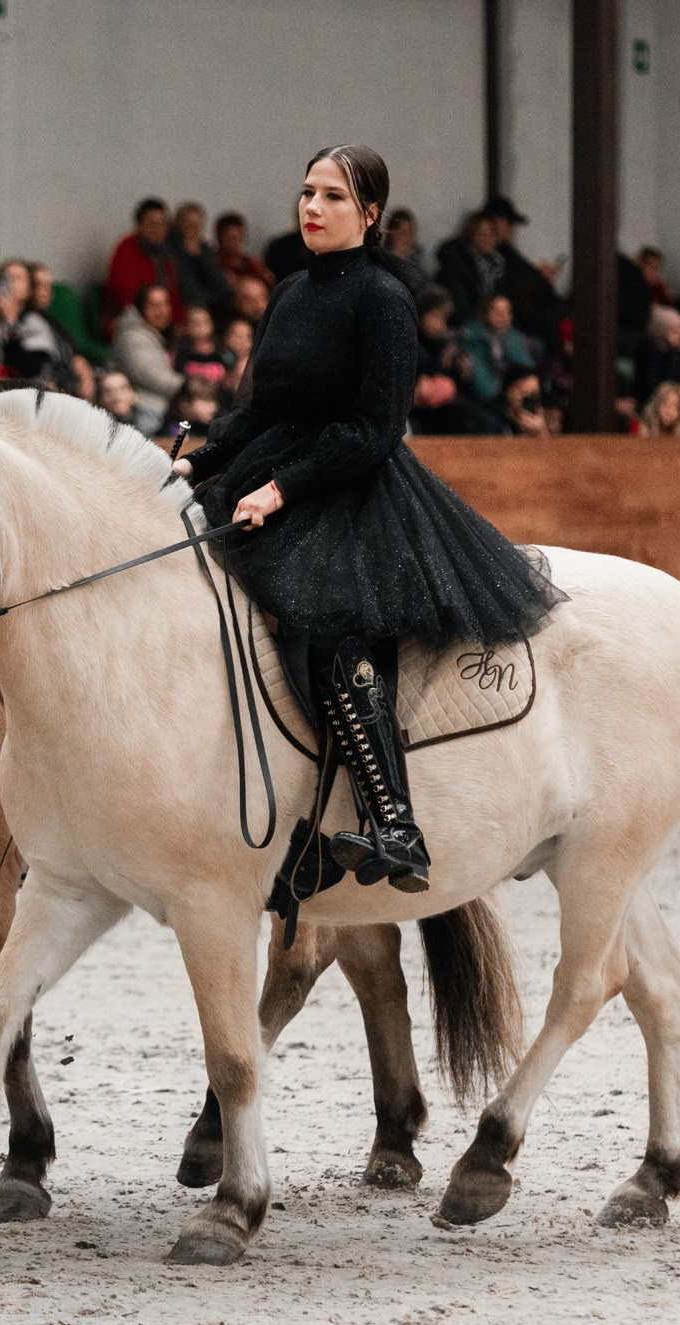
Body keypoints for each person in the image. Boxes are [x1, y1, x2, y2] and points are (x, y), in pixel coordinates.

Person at [173, 145, 564, 893]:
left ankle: (395, 823)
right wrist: (196, 459)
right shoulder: (289, 290)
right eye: (307, 192)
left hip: (353, 482)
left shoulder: (385, 298)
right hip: (278, 466)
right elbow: (263, 408)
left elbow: (376, 427)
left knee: (336, 625)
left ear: (370, 213)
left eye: (333, 197)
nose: (311, 208)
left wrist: (282, 489)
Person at [483, 196, 563, 357]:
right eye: (509, 223)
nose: (512, 230)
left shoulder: (506, 254)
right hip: (508, 324)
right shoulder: (492, 257)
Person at [410, 285, 485, 436]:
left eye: (444, 319)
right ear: (421, 314)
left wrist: (463, 374)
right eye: (436, 317)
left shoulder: (441, 345)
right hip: (419, 415)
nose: (441, 325)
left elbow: (458, 388)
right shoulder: (410, 342)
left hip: (442, 409)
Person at [109, 284, 183, 435]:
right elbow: (150, 375)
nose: (162, 310)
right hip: (142, 413)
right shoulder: (133, 336)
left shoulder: (156, 333)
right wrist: (186, 385)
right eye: (155, 305)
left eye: (165, 303)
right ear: (141, 308)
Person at [104, 198, 181, 335]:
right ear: (139, 225)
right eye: (152, 224)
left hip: (165, 321)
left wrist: (178, 322)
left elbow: (175, 293)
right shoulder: (127, 248)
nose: (158, 229)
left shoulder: (168, 253)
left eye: (162, 224)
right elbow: (125, 297)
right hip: (133, 321)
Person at [464, 293, 538, 405]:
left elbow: (526, 370)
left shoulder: (514, 338)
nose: (503, 316)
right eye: (497, 311)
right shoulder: (472, 338)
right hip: (487, 401)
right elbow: (482, 382)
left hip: (513, 396)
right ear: (485, 313)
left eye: (507, 311)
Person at [433, 211, 502, 328]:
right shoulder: (457, 264)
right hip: (465, 326)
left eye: (491, 233)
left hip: (493, 324)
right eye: (481, 233)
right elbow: (461, 307)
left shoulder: (498, 265)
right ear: (471, 235)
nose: (486, 238)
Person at [170, 202, 228, 322]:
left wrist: (199, 257)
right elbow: (186, 287)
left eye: (198, 225)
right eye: (189, 224)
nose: (194, 229)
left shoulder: (205, 249)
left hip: (210, 304)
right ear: (179, 225)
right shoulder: (170, 250)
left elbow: (220, 286)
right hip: (186, 307)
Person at [212, 213, 274, 292]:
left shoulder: (250, 263)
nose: (237, 242)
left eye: (240, 237)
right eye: (231, 238)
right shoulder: (213, 264)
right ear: (220, 238)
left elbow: (268, 283)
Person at [172, 306, 227, 383]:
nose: (201, 327)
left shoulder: (219, 348)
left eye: (205, 322)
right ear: (187, 328)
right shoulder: (184, 350)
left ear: (212, 325)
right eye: (195, 324)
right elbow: (178, 370)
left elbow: (230, 360)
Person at [168, 374, 220, 438]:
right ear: (185, 404)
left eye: (213, 400)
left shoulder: (212, 428)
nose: (213, 406)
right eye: (205, 400)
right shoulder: (173, 431)